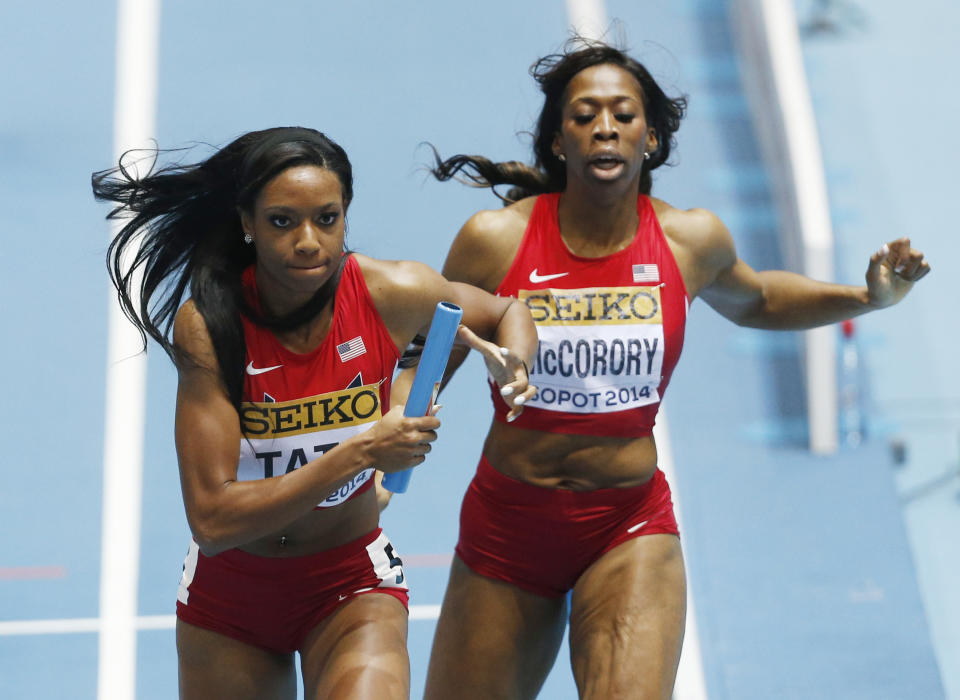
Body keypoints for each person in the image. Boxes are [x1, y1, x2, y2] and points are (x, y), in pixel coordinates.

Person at [416, 39, 931, 700]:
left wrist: (866, 298)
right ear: (557, 141)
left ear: (651, 138)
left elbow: (761, 299)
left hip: (626, 526)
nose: (605, 126)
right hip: (509, 524)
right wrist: (382, 461)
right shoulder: (496, 239)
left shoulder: (690, 240)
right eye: (584, 115)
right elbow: (436, 346)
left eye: (624, 115)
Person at [91, 126, 537, 700]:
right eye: (282, 221)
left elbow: (504, 312)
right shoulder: (210, 326)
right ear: (247, 223)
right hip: (232, 600)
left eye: (327, 219)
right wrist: (363, 452)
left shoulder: (392, 292)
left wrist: (513, 365)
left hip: (350, 585)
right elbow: (213, 519)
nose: (309, 241)